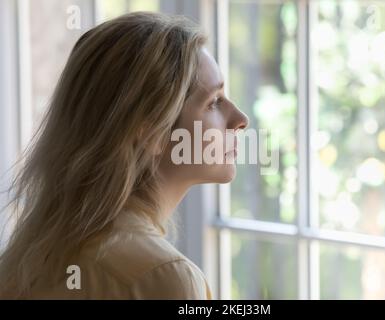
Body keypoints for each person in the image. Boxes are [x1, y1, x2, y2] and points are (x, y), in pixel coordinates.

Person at [0, 11, 248, 299]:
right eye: (214, 102)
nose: (240, 119)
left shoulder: (32, 258)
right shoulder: (163, 277)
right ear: (151, 132)